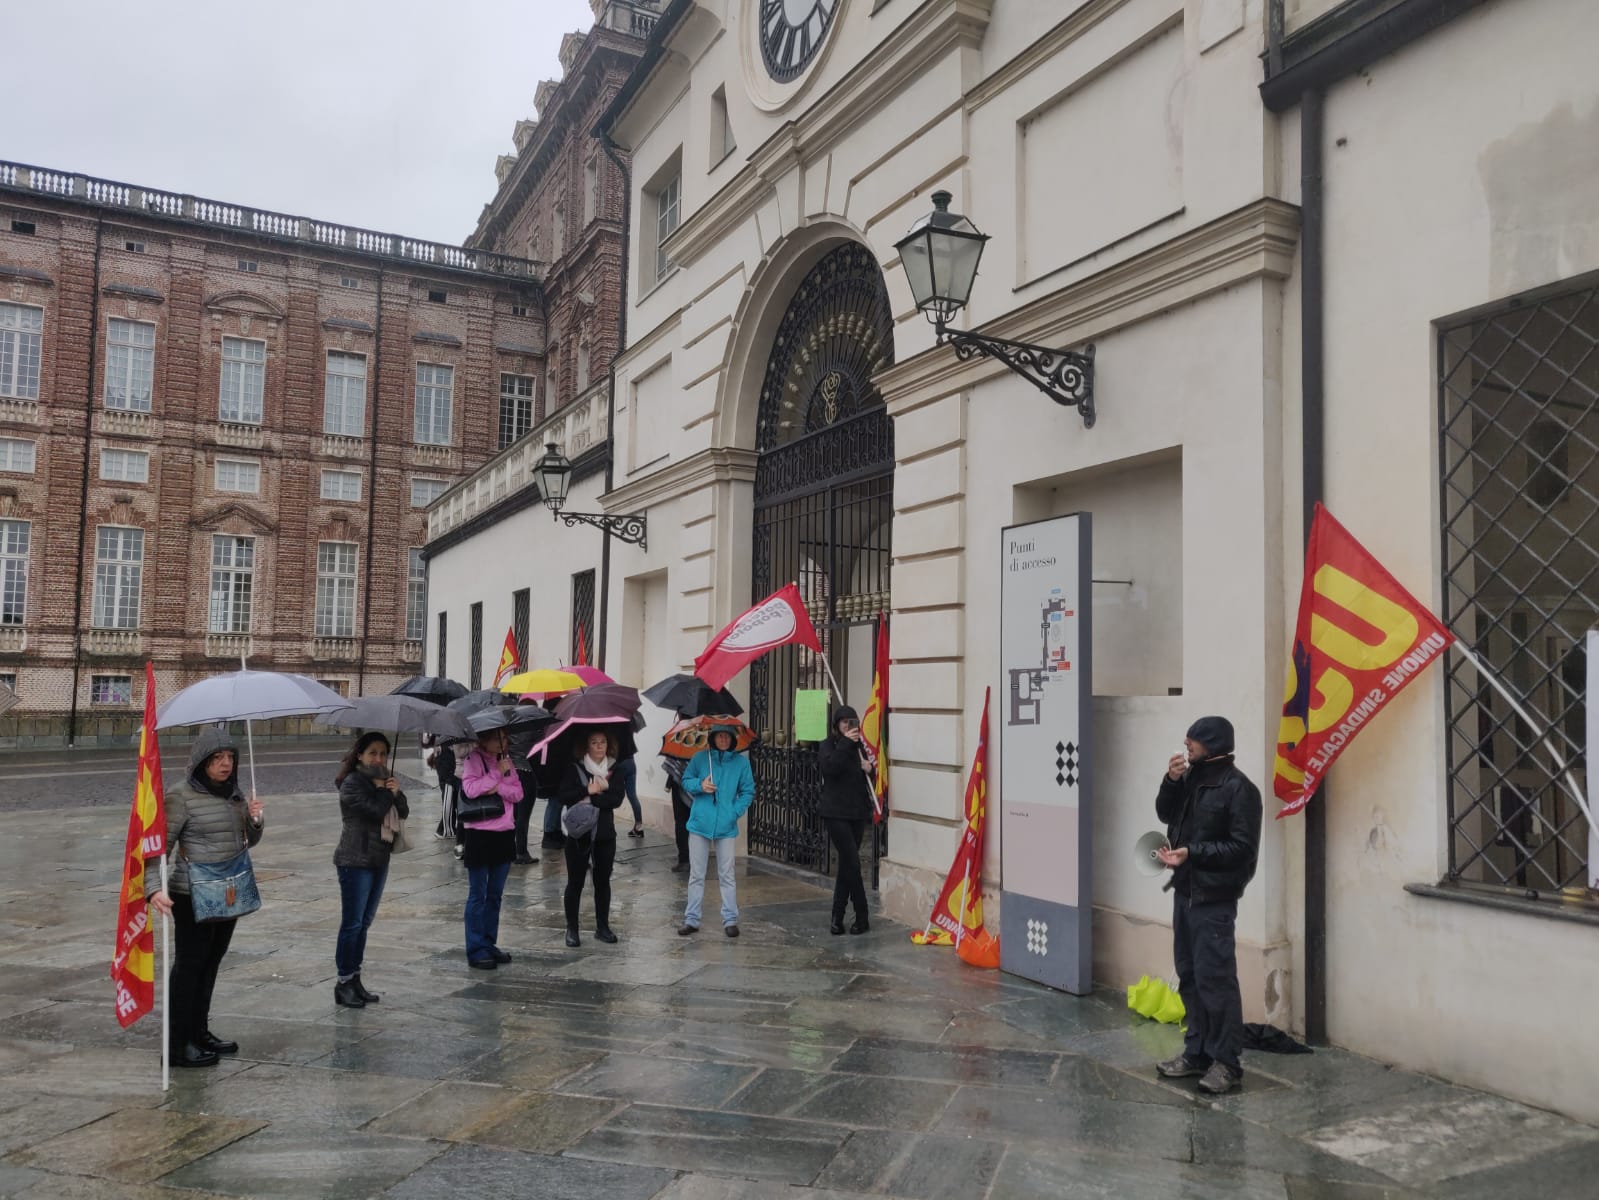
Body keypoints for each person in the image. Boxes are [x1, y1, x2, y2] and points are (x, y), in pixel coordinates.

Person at [1153, 715, 1263, 1096]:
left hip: (1214, 899)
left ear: (1212, 745)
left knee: (1216, 981)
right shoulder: (1190, 780)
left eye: (1192, 742)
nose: (1186, 747)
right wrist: (1170, 781)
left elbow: (1242, 849)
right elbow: (1165, 814)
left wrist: (1192, 853)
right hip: (1185, 893)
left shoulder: (1240, 790)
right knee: (1190, 976)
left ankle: (1227, 1063)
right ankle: (1196, 1052)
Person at [146, 727, 263, 1068]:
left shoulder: (234, 795)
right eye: (217, 759)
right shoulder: (180, 796)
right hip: (191, 894)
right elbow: (157, 848)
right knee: (189, 968)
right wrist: (153, 888)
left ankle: (199, 1032)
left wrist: (255, 822)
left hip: (227, 893)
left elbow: (245, 842)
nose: (225, 764)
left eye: (230, 758)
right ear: (201, 761)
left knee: (210, 964)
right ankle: (177, 1043)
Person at [331, 732, 408, 1009]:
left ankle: (355, 978)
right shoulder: (352, 782)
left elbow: (404, 810)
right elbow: (374, 810)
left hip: (379, 859)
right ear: (360, 755)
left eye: (383, 754)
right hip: (355, 860)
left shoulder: (385, 780)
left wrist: (395, 792)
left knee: (364, 923)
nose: (379, 758)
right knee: (351, 924)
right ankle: (343, 982)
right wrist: (386, 792)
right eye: (373, 753)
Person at [678, 724, 754, 937]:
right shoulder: (700, 759)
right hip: (700, 824)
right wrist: (700, 786)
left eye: (726, 736)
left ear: (732, 739)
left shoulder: (741, 763)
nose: (723, 740)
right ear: (713, 738)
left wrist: (733, 812)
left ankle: (730, 919)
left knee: (727, 874)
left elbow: (748, 791)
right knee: (696, 874)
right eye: (719, 736)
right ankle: (691, 918)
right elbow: (686, 781)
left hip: (726, 826)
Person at [458, 727, 520, 970]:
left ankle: (488, 943)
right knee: (478, 895)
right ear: (484, 739)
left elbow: (517, 793)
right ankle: (475, 949)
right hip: (480, 834)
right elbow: (470, 790)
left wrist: (499, 786)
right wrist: (496, 776)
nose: (502, 742)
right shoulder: (473, 759)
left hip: (504, 833)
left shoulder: (507, 761)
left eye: (504, 737)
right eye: (497, 738)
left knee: (495, 895)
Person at [559, 728, 626, 947]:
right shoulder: (574, 768)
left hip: (605, 834)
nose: (599, 746)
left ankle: (603, 927)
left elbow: (616, 800)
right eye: (594, 742)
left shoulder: (616, 769)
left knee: (602, 881)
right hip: (579, 834)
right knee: (575, 882)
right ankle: (572, 929)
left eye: (603, 742)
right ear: (586, 746)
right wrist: (586, 790)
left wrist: (594, 797)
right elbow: (564, 796)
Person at [817, 705, 875, 935]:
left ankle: (837, 916)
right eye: (844, 723)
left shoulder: (861, 748)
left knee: (846, 866)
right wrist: (845, 744)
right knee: (853, 861)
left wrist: (870, 769)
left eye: (852, 722)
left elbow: (871, 777)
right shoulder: (829, 745)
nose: (848, 726)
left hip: (857, 812)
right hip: (835, 812)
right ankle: (862, 915)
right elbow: (829, 769)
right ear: (836, 726)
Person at [507, 721, 542, 866]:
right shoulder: (535, 727)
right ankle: (521, 852)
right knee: (524, 815)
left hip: (510, 770)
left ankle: (511, 849)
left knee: (513, 814)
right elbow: (540, 747)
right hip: (526, 770)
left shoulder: (509, 725)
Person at [662, 756, 692, 872]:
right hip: (697, 784)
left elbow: (673, 762)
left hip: (680, 783)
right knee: (686, 822)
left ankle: (684, 859)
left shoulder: (680, 739)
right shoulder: (707, 742)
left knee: (681, 821)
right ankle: (690, 858)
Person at [618, 755, 644, 838]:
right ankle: (638, 827)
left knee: (612, 793)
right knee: (632, 796)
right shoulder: (630, 741)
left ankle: (606, 827)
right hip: (631, 763)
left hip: (619, 763)